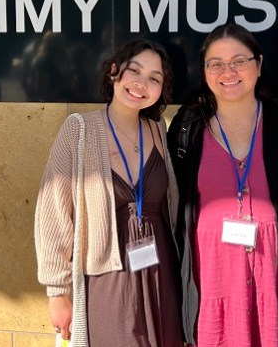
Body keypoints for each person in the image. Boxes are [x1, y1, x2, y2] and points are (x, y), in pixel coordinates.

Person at [35, 39, 183, 347]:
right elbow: (53, 215)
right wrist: (57, 293)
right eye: (134, 71)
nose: (142, 84)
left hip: (162, 275)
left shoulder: (159, 131)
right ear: (114, 72)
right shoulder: (80, 130)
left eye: (154, 78)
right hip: (108, 280)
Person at [167, 24, 278, 346]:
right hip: (213, 278)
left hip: (273, 279)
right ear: (204, 72)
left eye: (238, 61)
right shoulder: (189, 126)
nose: (227, 71)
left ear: (258, 65)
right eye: (216, 63)